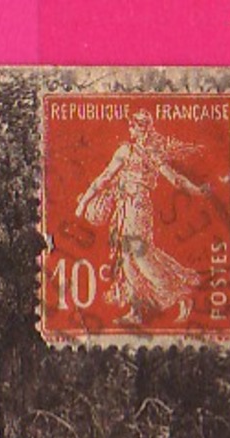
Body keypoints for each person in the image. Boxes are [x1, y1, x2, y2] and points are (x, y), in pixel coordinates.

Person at [74, 109, 209, 326]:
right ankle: (136, 311)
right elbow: (105, 177)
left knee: (141, 257)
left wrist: (198, 191)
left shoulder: (151, 153)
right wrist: (83, 202)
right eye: (135, 126)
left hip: (138, 208)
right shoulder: (125, 151)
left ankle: (179, 294)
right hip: (124, 208)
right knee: (127, 260)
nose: (135, 130)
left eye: (138, 126)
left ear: (143, 129)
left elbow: (174, 179)